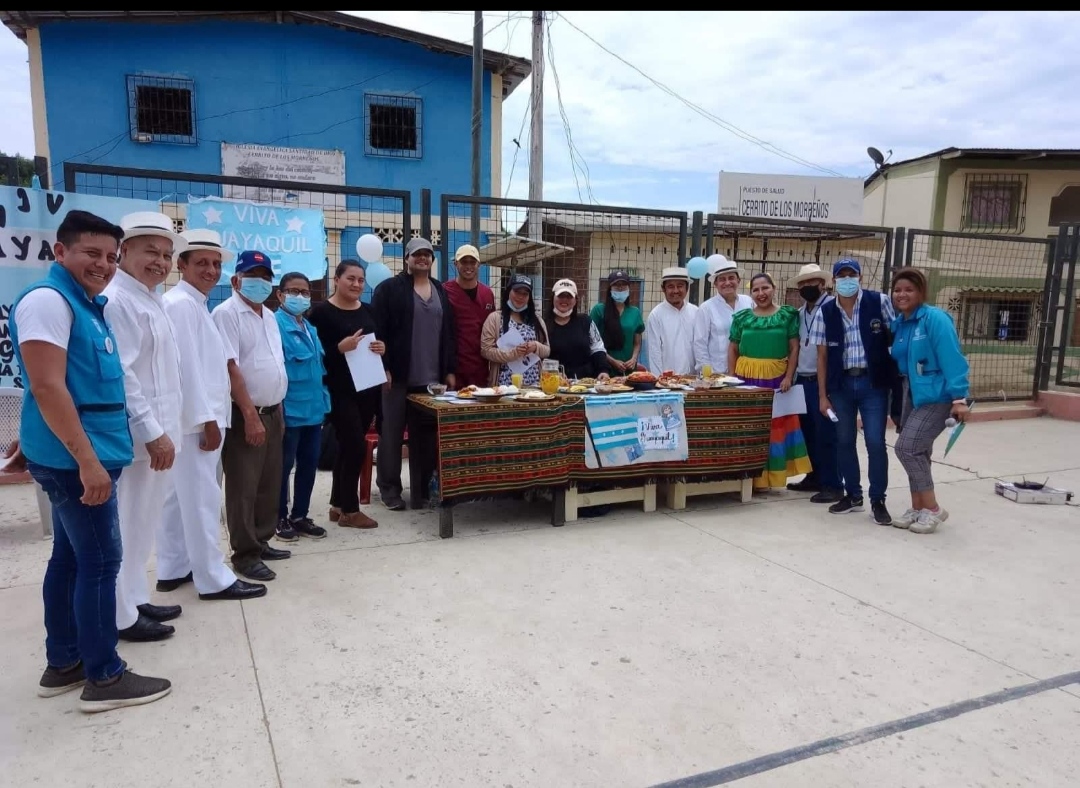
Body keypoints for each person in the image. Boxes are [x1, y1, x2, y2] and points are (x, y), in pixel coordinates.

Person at [10, 209, 171, 712]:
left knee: (71, 558)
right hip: (77, 461)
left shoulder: (85, 304)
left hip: (85, 454)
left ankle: (64, 662)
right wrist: (87, 461)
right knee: (101, 562)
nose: (102, 264)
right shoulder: (48, 302)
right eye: (90, 253)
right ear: (61, 251)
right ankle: (104, 676)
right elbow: (47, 386)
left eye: (109, 256)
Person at [158, 230, 267, 602]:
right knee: (202, 499)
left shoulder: (193, 303)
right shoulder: (182, 305)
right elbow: (188, 369)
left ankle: (174, 567)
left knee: (179, 498)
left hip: (195, 418)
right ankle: (213, 578)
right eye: (202, 263)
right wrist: (207, 420)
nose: (211, 270)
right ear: (182, 265)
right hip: (197, 421)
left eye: (216, 264)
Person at [103, 212, 186, 643]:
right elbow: (124, 375)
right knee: (127, 524)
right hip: (140, 439)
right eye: (151, 251)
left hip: (161, 432)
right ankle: (120, 615)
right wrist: (152, 431)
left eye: (167, 254)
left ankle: (135, 597)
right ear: (124, 251)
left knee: (143, 524)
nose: (160, 262)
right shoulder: (118, 301)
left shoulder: (151, 298)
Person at [212, 250, 290, 581]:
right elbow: (230, 367)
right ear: (236, 280)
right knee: (243, 485)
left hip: (272, 411)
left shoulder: (268, 316)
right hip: (246, 413)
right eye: (253, 276)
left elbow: (273, 362)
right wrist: (250, 415)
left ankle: (261, 539)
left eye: (265, 277)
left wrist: (277, 407)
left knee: (268, 482)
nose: (261, 283)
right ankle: (244, 553)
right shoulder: (226, 314)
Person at [809, 258, 898, 526]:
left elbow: (895, 337)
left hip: (873, 384)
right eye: (842, 275)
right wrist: (822, 396)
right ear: (834, 280)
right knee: (844, 441)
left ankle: (878, 499)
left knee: (875, 442)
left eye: (852, 274)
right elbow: (821, 356)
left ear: (860, 277)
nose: (847, 279)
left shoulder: (879, 302)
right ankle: (853, 495)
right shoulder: (826, 312)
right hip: (841, 386)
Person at [371, 237, 457, 511]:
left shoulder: (440, 290)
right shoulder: (389, 289)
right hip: (397, 377)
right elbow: (377, 330)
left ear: (432, 260)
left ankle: (420, 493)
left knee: (425, 439)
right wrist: (383, 367)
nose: (422, 258)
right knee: (391, 435)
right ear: (406, 258)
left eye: (427, 254)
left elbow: (448, 333)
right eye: (416, 254)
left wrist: (449, 370)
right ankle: (389, 490)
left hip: (431, 381)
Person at [889, 267, 971, 534]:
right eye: (897, 290)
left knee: (907, 448)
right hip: (912, 395)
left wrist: (959, 398)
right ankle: (918, 507)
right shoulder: (900, 323)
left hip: (938, 396)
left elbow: (952, 357)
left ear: (921, 292)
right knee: (920, 451)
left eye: (909, 289)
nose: (902, 294)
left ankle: (933, 509)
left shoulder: (935, 319)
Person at [308, 260, 385, 528]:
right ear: (337, 279)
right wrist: (339, 349)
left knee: (347, 445)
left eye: (361, 280)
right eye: (351, 278)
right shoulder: (321, 313)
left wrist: (381, 348)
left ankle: (337, 505)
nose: (356, 284)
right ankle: (351, 511)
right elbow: (312, 354)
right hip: (338, 390)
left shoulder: (368, 310)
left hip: (366, 387)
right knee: (354, 446)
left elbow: (377, 341)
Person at [728, 272, 812, 490]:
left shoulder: (787, 315)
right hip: (746, 380)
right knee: (748, 428)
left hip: (776, 381)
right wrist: (732, 379)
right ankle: (747, 477)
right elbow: (733, 349)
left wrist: (788, 377)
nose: (761, 293)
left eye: (765, 288)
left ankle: (769, 478)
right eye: (755, 290)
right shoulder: (742, 318)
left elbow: (794, 348)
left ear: (773, 288)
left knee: (774, 430)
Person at [274, 272, 331, 541]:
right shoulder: (274, 325)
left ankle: (300, 515)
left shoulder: (310, 328)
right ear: (280, 295)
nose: (300, 297)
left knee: (309, 465)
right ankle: (279, 517)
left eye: (305, 292)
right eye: (293, 291)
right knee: (283, 467)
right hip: (289, 411)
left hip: (313, 410)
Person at [786, 263, 841, 503]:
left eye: (812, 282)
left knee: (827, 434)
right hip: (802, 379)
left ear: (822, 284)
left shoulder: (833, 308)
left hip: (823, 381)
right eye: (803, 283)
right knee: (808, 432)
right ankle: (813, 477)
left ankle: (833, 484)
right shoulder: (800, 313)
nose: (807, 286)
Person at [481, 274, 551, 387]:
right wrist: (513, 353)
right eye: (517, 292)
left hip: (535, 386)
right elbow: (486, 350)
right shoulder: (495, 318)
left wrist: (536, 346)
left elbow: (547, 350)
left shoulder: (537, 320)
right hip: (504, 387)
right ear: (509, 292)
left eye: (525, 294)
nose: (520, 297)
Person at [443, 244, 495, 389]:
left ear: (479, 264)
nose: (468, 266)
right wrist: (447, 370)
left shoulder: (487, 294)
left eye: (472, 262)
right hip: (455, 367)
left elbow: (492, 331)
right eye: (464, 262)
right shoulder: (445, 291)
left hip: (481, 367)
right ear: (456, 264)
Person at [692, 257, 754, 375]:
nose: (727, 283)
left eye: (731, 278)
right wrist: (708, 373)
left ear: (738, 280)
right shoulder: (706, 308)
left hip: (746, 370)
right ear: (715, 283)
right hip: (718, 373)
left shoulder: (749, 302)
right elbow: (700, 344)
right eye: (722, 279)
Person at [544, 278, 610, 381]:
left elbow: (598, 348)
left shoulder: (586, 321)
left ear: (575, 300)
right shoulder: (543, 324)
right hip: (553, 382)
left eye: (569, 296)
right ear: (553, 298)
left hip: (585, 383)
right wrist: (553, 374)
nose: (564, 300)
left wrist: (603, 370)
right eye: (561, 296)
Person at [645, 267, 699, 376]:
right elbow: (654, 351)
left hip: (695, 379)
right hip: (668, 380)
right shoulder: (656, 315)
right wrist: (659, 379)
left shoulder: (696, 312)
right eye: (670, 286)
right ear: (663, 289)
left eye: (680, 286)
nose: (675, 291)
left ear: (687, 288)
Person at [590, 270, 644, 375]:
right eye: (616, 285)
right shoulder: (598, 310)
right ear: (610, 289)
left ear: (628, 288)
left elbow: (637, 343)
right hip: (604, 370)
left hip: (628, 370)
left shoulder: (635, 312)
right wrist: (612, 361)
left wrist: (633, 359)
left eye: (624, 285)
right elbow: (592, 341)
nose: (620, 288)